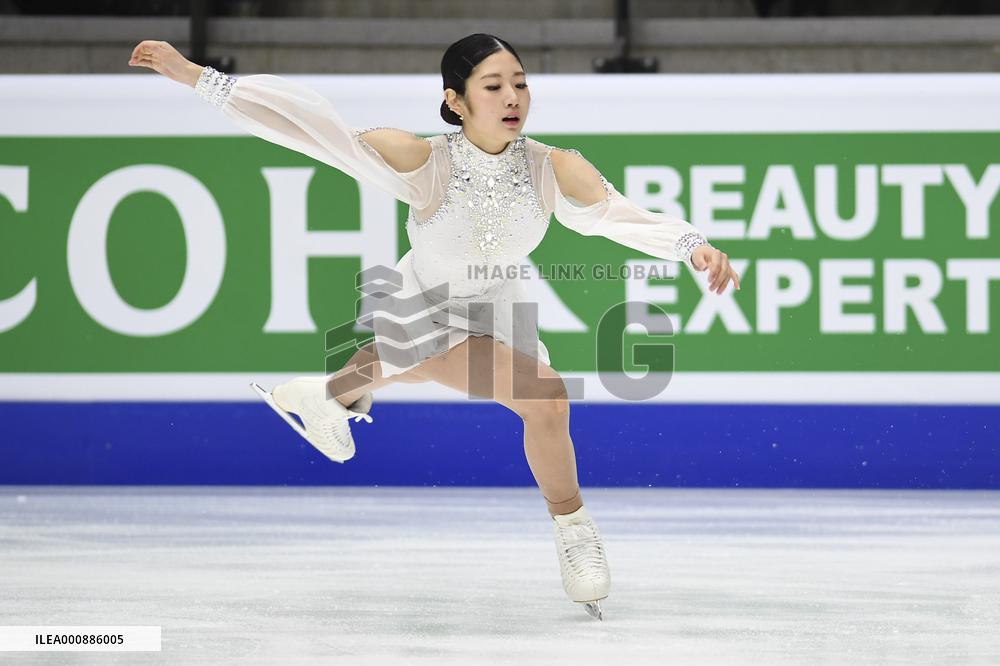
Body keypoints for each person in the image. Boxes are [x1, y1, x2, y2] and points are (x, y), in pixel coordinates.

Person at [128, 34, 740, 620]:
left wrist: (692, 246)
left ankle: (326, 395)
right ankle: (575, 532)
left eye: (521, 83)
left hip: (495, 305)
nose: (513, 98)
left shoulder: (553, 167)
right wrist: (201, 79)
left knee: (438, 376)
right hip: (423, 302)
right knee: (546, 397)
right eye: (493, 86)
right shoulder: (423, 158)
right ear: (455, 99)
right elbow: (317, 132)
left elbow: (617, 215)